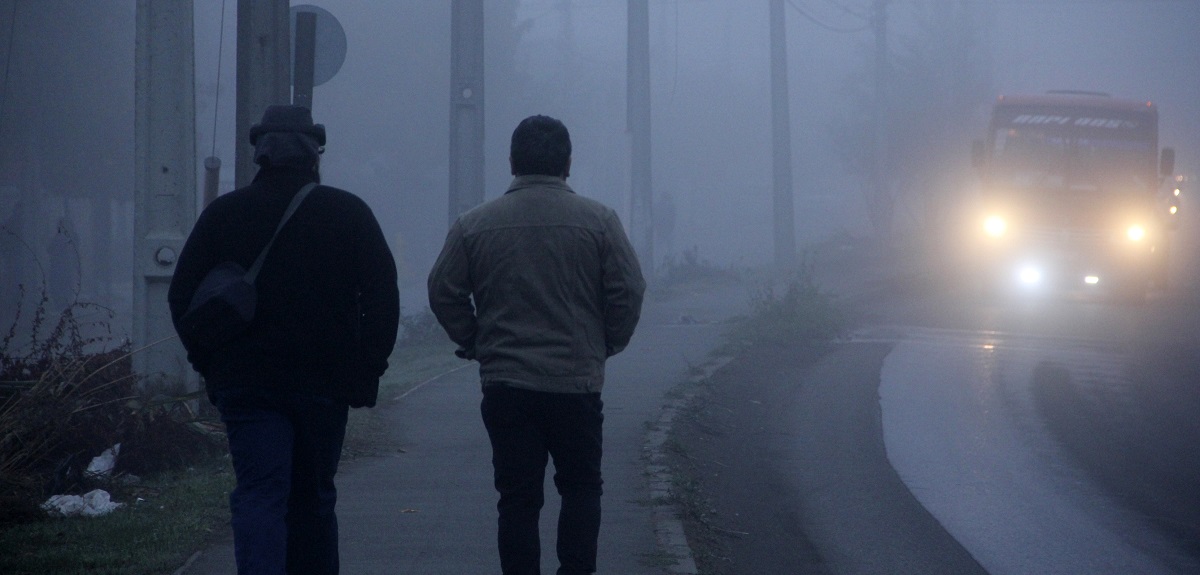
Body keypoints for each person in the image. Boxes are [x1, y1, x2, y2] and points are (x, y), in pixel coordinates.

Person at [168, 104, 400, 575]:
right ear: (314, 155)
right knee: (313, 497)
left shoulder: (224, 215)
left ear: (261, 155)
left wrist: (209, 363)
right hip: (324, 384)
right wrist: (368, 368)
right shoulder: (348, 213)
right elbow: (382, 296)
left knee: (259, 493)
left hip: (246, 383)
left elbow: (182, 296)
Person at [428, 114, 645, 575]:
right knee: (582, 488)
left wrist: (474, 339)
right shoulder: (599, 221)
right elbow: (629, 289)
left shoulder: (475, 224)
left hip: (507, 382)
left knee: (517, 499)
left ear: (512, 161)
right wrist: (606, 343)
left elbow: (442, 289)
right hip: (576, 382)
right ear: (568, 162)